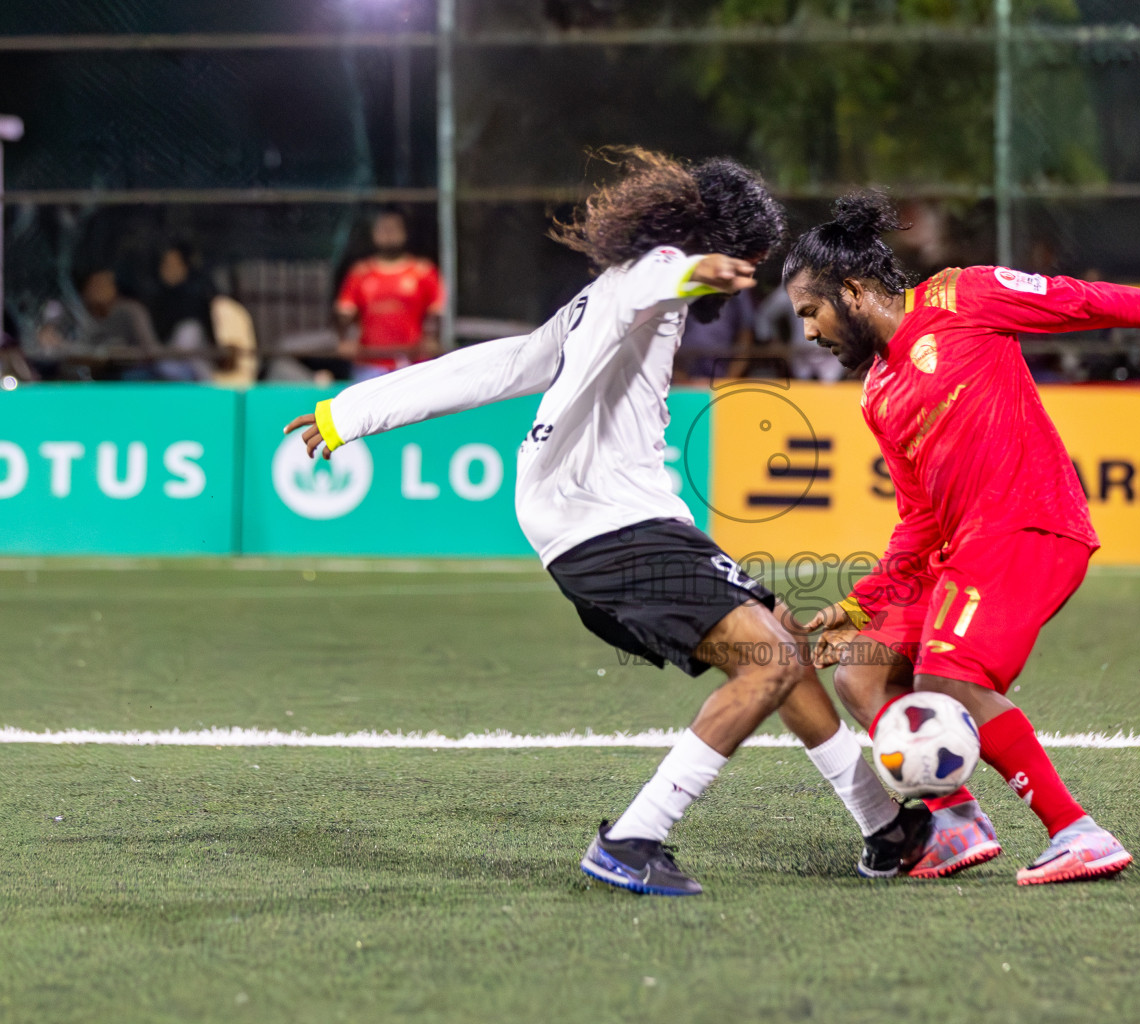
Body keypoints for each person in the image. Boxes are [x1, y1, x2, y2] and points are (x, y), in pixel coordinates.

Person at [283, 151, 929, 897]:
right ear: (720, 241)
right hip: (608, 524)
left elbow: (503, 363)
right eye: (748, 257)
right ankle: (632, 840)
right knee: (773, 661)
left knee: (779, 639)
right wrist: (694, 272)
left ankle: (886, 829)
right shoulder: (652, 276)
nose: (748, 274)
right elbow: (661, 276)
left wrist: (352, 411)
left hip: (603, 521)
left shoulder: (604, 294)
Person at [785, 194, 1140, 884]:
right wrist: (861, 604)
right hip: (964, 545)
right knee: (862, 672)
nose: (808, 332)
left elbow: (1085, 302)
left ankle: (1076, 832)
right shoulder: (877, 392)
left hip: (1030, 523)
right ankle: (957, 823)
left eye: (810, 312)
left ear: (851, 291)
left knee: (948, 677)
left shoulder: (963, 295)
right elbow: (919, 521)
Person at [335, 209, 445, 381]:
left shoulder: (423, 271)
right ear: (373, 233)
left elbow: (437, 312)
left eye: (393, 228)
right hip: (370, 365)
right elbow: (345, 312)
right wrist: (344, 339)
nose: (388, 234)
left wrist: (432, 339)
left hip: (413, 364)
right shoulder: (360, 273)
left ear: (405, 232)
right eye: (383, 229)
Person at [147, 242, 218, 382]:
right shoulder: (154, 297)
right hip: (162, 363)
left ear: (185, 267)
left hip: (194, 363)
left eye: (174, 264)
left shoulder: (198, 296)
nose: (167, 269)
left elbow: (201, 340)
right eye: (165, 264)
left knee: (189, 329)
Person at [78, 268, 163, 379]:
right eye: (94, 285)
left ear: (114, 288)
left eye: (104, 284)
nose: (98, 290)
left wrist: (123, 352)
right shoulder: (81, 313)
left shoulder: (131, 310)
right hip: (94, 371)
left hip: (132, 371)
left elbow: (150, 349)